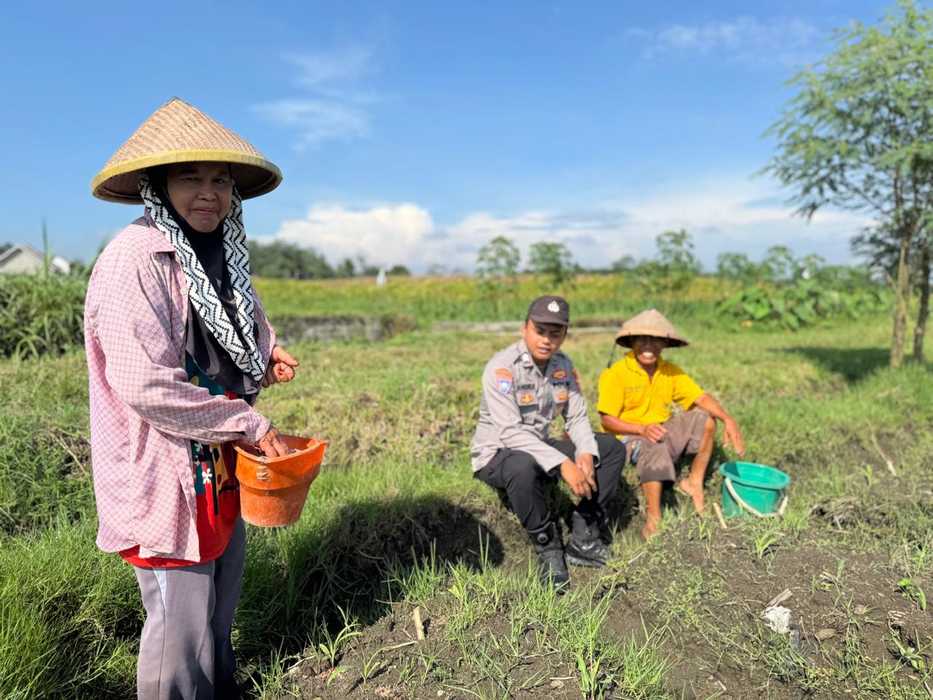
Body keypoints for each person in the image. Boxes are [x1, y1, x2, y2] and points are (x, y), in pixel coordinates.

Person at [85, 98, 297, 699]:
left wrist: (265, 350)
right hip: (167, 466)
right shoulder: (136, 259)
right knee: (179, 623)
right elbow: (144, 384)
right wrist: (248, 422)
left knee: (218, 600)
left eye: (220, 181)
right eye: (190, 179)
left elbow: (235, 317)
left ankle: (221, 687)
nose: (209, 194)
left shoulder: (216, 251)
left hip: (218, 463)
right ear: (156, 187)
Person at [470, 295, 627, 589]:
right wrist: (564, 463)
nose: (546, 340)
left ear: (564, 334)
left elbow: (576, 417)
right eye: (539, 331)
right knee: (521, 465)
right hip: (498, 454)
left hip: (539, 447)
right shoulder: (502, 368)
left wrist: (585, 453)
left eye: (555, 333)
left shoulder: (562, 366)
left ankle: (584, 535)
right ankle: (548, 547)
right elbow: (510, 432)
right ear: (524, 329)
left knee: (610, 449)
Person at [596, 309, 745, 539]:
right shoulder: (616, 374)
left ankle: (694, 483)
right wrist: (641, 429)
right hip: (628, 437)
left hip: (660, 429)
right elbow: (607, 419)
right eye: (642, 339)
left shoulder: (669, 371)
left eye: (655, 339)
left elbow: (700, 397)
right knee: (653, 443)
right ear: (632, 342)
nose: (648, 345)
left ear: (664, 343)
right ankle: (653, 519)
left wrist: (728, 419)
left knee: (705, 419)